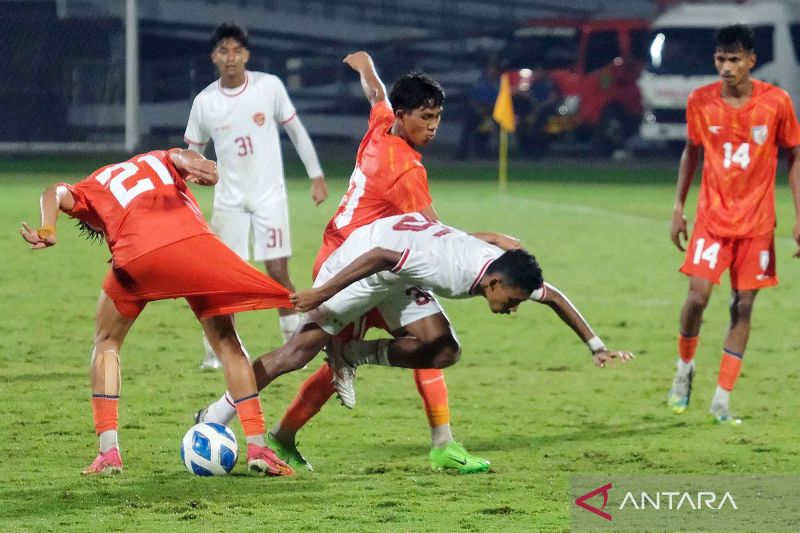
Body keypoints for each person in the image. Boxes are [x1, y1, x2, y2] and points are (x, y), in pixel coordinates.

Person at [198, 51, 512, 474]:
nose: (434, 126)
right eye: (426, 117)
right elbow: (439, 238)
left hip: (385, 261)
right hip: (351, 267)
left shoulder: (384, 122)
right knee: (302, 355)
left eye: (438, 117)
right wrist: (491, 241)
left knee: (431, 340)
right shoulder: (404, 171)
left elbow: (377, 93)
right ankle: (228, 418)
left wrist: (366, 66)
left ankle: (443, 443)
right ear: (404, 117)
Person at [197, 213, 634, 470]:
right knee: (296, 354)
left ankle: (352, 353)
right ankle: (215, 414)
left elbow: (553, 296)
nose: (514, 307)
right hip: (367, 261)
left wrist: (596, 346)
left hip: (402, 270)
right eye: (513, 300)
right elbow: (382, 257)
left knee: (443, 348)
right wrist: (322, 293)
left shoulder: (497, 266)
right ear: (496, 281)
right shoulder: (453, 270)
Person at [20, 148, 294, 477]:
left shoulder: (93, 185)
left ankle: (109, 453)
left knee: (106, 341)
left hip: (139, 256)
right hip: (194, 248)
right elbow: (197, 165)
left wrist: (48, 227)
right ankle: (258, 446)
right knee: (226, 340)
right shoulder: (160, 156)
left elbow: (53, 191)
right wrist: (206, 170)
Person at [667, 24, 800, 424]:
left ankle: (722, 398)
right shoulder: (701, 101)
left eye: (735, 59)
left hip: (757, 224)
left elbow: (794, 155)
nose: (726, 67)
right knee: (696, 299)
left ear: (751, 61)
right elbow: (691, 152)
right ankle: (684, 370)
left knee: (743, 306)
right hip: (712, 221)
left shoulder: (776, 103)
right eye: (721, 59)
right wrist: (678, 206)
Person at [184, 22, 328, 370]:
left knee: (277, 270)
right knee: (224, 277)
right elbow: (192, 154)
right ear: (214, 57)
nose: (230, 57)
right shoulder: (205, 102)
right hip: (228, 200)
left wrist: (316, 175)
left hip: (269, 196)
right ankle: (215, 349)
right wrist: (184, 191)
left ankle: (294, 340)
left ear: (246, 54)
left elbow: (295, 130)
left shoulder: (269, 87)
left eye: (236, 50)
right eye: (223, 51)